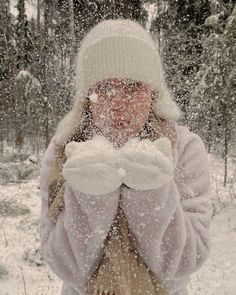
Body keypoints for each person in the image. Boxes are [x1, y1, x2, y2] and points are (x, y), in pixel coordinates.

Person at [39, 19, 214, 295]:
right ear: (86, 96)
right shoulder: (64, 152)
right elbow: (64, 266)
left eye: (133, 87)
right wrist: (92, 193)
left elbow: (187, 260)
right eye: (105, 87)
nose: (118, 102)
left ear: (153, 92)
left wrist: (150, 189)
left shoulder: (184, 149)